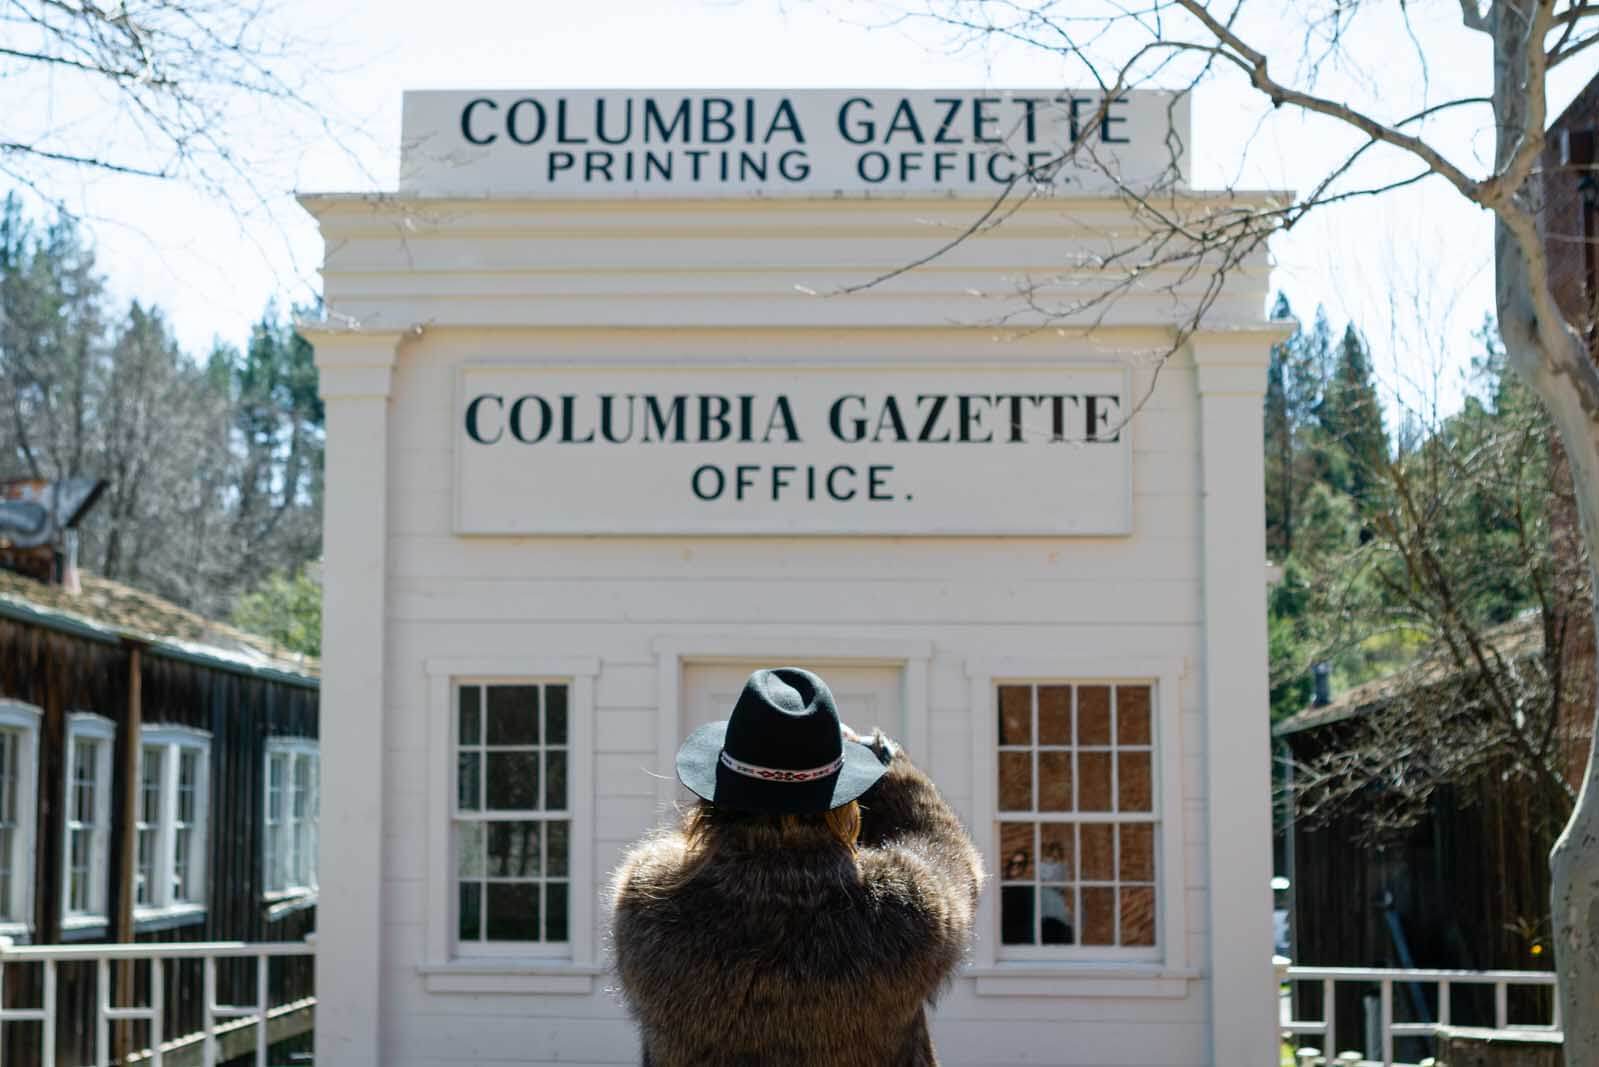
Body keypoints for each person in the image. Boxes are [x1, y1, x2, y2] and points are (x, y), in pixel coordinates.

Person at [609, 666, 983, 1067]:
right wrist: (889, 763)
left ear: (714, 795)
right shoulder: (902, 912)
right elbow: (953, 856)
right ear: (844, 799)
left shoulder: (648, 904)